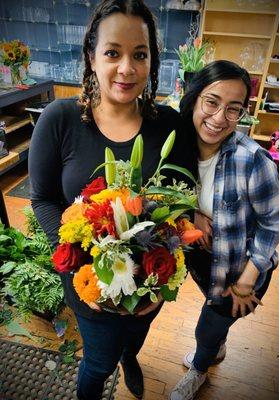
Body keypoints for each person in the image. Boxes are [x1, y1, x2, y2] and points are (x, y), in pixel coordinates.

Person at [29, 1, 191, 399]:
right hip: (88, 286)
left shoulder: (168, 125)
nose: (127, 68)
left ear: (152, 60)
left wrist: (162, 277)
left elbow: (180, 205)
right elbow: (43, 198)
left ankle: (131, 356)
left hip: (150, 278)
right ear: (91, 56)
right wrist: (77, 261)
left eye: (140, 54)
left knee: (136, 335)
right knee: (97, 363)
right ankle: (107, 365)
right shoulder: (59, 119)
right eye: (112, 53)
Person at [169, 60, 279, 400]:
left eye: (233, 109)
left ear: (241, 115)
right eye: (212, 102)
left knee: (206, 329)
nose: (219, 118)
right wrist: (193, 214)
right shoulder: (178, 147)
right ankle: (216, 344)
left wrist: (247, 281)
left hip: (242, 269)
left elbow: (272, 224)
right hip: (204, 261)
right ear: (194, 98)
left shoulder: (253, 160)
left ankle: (199, 369)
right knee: (214, 315)